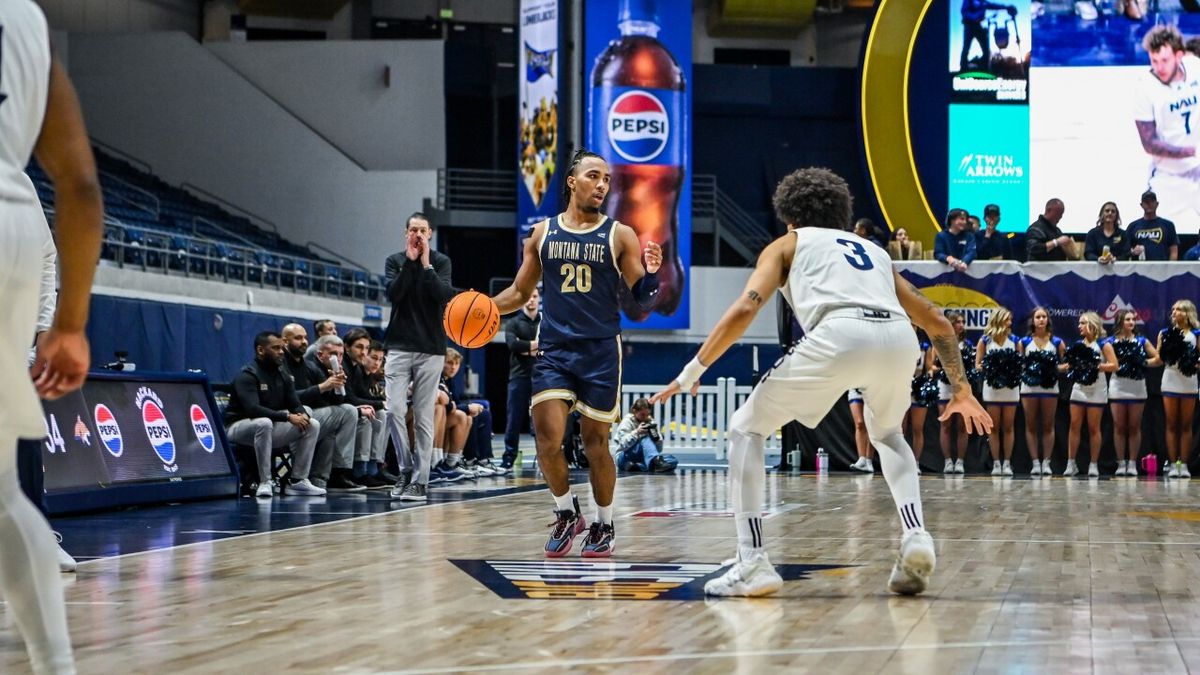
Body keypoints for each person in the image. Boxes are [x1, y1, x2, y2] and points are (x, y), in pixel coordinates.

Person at [652, 167, 991, 597]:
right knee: (888, 434)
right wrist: (962, 389)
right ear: (842, 214)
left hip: (839, 332)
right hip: (898, 338)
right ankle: (916, 535)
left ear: (789, 216)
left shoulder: (787, 244)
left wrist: (692, 371)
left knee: (745, 427)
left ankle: (752, 560)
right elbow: (938, 322)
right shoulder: (873, 251)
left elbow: (744, 308)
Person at [490, 148, 663, 558]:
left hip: (601, 350)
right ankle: (567, 513)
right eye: (593, 176)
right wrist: (482, 308)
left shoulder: (619, 234)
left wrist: (653, 277)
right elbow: (518, 292)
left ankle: (604, 522)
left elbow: (642, 301)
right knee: (547, 438)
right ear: (571, 181)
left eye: (606, 179)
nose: (602, 184)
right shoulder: (543, 234)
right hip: (554, 349)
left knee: (595, 443)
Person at [1, 4, 104, 668]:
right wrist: (69, 325)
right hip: (11, 224)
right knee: (3, 495)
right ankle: (55, 664)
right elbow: (82, 183)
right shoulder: (24, 18)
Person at [383, 212, 457, 502]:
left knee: (425, 415)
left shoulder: (440, 262)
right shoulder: (394, 261)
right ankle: (404, 469)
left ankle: (420, 481)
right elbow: (394, 293)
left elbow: (443, 295)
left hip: (431, 348)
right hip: (399, 346)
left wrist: (425, 265)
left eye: (422, 230)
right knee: (393, 410)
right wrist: (410, 263)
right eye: (413, 229)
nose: (417, 234)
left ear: (430, 234)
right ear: (406, 233)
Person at [224, 332, 326, 498]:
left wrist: (301, 413)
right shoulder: (247, 375)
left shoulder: (283, 375)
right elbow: (252, 409)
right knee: (263, 422)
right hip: (238, 428)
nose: (281, 352)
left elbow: (294, 403)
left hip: (269, 427)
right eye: (276, 348)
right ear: (260, 350)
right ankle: (265, 481)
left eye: (282, 348)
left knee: (312, 424)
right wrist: (287, 417)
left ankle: (298, 481)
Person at [279, 324, 364, 492]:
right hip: (288, 417)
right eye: (298, 338)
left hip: (309, 419)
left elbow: (335, 400)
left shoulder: (309, 366)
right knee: (307, 411)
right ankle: (302, 478)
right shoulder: (281, 365)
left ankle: (330, 475)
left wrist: (338, 385)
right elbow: (289, 398)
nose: (303, 341)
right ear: (284, 341)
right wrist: (323, 386)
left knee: (348, 411)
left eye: (305, 337)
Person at [1134, 26, 1200, 228]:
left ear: (1179, 55)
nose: (1159, 67)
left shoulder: (1195, 66)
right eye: (1154, 61)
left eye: (1164, 60)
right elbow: (1149, 143)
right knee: (1155, 236)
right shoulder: (1145, 87)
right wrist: (1193, 151)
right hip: (1167, 177)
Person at [1107, 309, 1161, 477]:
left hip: (1137, 386)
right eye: (1127, 319)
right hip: (1118, 385)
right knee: (1119, 426)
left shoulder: (1142, 341)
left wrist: (1142, 362)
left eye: (1133, 319)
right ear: (1120, 322)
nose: (1131, 322)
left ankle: (1132, 463)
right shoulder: (1110, 341)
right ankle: (1120, 463)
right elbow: (1105, 362)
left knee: (1134, 426)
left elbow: (1159, 359)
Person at [1064, 313, 1118, 477]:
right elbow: (1070, 365)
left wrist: (1094, 365)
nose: (1079, 326)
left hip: (1097, 388)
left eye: (1083, 323)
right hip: (1079, 388)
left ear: (1092, 324)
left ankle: (1093, 464)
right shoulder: (1079, 344)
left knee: (1094, 428)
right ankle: (1071, 463)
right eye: (1079, 323)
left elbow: (1114, 365)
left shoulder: (1104, 344)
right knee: (1074, 425)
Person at [1156, 300, 1199, 478]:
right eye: (1173, 309)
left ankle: (1184, 465)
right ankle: (1174, 465)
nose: (1174, 312)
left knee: (1186, 425)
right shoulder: (1164, 333)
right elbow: (1159, 358)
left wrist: (1190, 363)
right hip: (1170, 379)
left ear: (1188, 312)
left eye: (1179, 309)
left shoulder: (1197, 333)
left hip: (1188, 380)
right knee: (1172, 424)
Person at [1018, 307, 1064, 476]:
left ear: (1048, 320)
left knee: (1047, 425)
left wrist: (1050, 368)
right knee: (1030, 425)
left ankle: (1047, 462)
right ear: (1033, 320)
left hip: (1050, 388)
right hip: (1029, 388)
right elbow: (1020, 365)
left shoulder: (1057, 342)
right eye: (1038, 317)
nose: (1041, 319)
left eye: (1044, 316)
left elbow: (1065, 365)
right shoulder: (1023, 342)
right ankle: (1035, 463)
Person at [976, 308, 1020, 476]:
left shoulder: (1015, 340)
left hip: (1010, 388)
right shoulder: (985, 340)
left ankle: (1007, 463)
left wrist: (1009, 370)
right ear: (1000, 319)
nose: (1010, 323)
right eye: (1008, 319)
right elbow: (977, 365)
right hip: (992, 387)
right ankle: (996, 463)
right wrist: (993, 368)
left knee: (1008, 427)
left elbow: (1019, 363)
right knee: (993, 427)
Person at [501, 287, 541, 472]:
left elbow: (549, 346)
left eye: (534, 296)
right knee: (514, 419)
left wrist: (526, 348)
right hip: (518, 376)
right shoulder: (514, 322)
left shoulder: (545, 322)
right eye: (528, 296)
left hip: (540, 377)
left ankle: (543, 457)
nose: (531, 300)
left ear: (539, 299)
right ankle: (509, 457)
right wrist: (535, 347)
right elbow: (513, 345)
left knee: (540, 420)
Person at [931, 311, 972, 474]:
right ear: (951, 323)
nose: (961, 325)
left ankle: (960, 462)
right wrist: (942, 371)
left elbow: (970, 366)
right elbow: (932, 365)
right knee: (946, 424)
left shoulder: (967, 344)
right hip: (944, 387)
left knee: (962, 425)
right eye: (958, 322)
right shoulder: (940, 342)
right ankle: (948, 462)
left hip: (961, 388)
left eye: (963, 322)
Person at [612, 398, 675, 472]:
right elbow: (622, 445)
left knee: (672, 460)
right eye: (642, 414)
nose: (645, 417)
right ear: (634, 411)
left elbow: (659, 449)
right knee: (645, 439)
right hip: (624, 456)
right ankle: (650, 465)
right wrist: (637, 432)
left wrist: (656, 438)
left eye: (647, 414)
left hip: (642, 456)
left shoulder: (650, 422)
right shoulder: (626, 422)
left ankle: (638, 466)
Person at [959, 1, 1017, 72]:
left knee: (985, 47)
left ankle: (984, 67)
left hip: (978, 26)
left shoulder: (983, 2)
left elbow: (993, 5)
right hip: (969, 26)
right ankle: (963, 68)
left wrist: (1006, 7)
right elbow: (964, 12)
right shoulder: (968, 1)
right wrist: (975, 16)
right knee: (966, 47)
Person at [1126, 191, 1179, 261]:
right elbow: (1125, 251)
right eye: (1146, 202)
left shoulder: (1168, 225)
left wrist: (1170, 269)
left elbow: (1174, 251)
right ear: (1141, 205)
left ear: (1157, 204)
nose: (1149, 204)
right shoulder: (1132, 226)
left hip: (1162, 269)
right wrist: (1133, 252)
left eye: (1152, 201)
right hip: (1139, 269)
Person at [847, 389, 876, 474]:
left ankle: (869, 461)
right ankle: (862, 459)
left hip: (871, 389)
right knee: (859, 423)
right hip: (855, 388)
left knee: (871, 424)